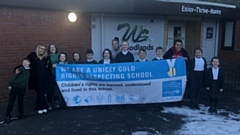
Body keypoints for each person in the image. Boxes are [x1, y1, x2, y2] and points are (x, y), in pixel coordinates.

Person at [163, 39, 189, 107]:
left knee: (180, 87)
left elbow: (188, 62)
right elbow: (165, 60)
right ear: (174, 45)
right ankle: (171, 101)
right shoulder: (170, 51)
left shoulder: (184, 52)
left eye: (180, 45)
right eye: (177, 45)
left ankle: (179, 101)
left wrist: (186, 60)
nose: (179, 46)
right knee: (171, 87)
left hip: (180, 73)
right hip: (171, 73)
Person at [4, 58, 31, 124]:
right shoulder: (20, 69)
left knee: (21, 101)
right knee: (11, 101)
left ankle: (21, 114)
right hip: (15, 87)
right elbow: (15, 76)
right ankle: (8, 115)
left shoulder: (30, 70)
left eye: (26, 62)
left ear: (29, 63)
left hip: (22, 88)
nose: (25, 63)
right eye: (23, 62)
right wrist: (10, 84)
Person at [27, 45, 52, 114]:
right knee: (40, 92)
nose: (42, 50)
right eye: (41, 49)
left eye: (44, 49)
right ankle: (44, 106)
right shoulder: (32, 56)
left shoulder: (46, 59)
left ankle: (38, 107)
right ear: (38, 49)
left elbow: (49, 69)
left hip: (44, 79)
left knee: (40, 93)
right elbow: (25, 63)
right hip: (35, 79)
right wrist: (17, 68)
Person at [46, 44, 59, 110]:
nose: (52, 48)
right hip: (50, 75)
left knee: (56, 88)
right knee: (50, 89)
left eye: (54, 47)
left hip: (58, 74)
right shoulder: (47, 56)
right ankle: (49, 102)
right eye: (51, 47)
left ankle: (56, 101)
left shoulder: (59, 55)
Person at [152, 46, 165, 111]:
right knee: (155, 91)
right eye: (158, 51)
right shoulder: (153, 60)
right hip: (156, 79)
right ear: (156, 52)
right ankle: (155, 104)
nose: (159, 53)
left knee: (161, 92)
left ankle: (160, 104)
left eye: (161, 51)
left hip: (162, 79)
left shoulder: (164, 60)